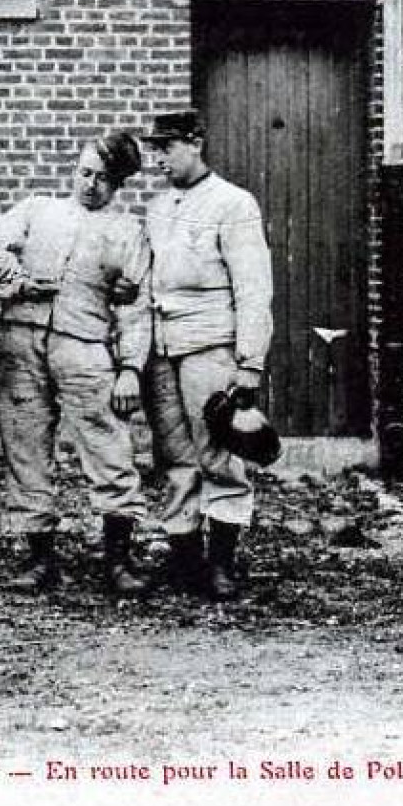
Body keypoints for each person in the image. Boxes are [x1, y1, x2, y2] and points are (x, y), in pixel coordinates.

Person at [0, 131, 152, 596]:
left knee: (108, 446)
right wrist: (13, 282)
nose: (90, 185)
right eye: (85, 173)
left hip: (86, 345)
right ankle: (38, 559)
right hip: (20, 341)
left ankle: (118, 558)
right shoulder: (39, 211)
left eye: (103, 179)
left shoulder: (127, 231)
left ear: (119, 185)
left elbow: (136, 308)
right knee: (25, 445)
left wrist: (131, 368)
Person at [140, 111, 273, 602]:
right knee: (174, 456)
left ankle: (221, 563)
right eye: (155, 149)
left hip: (211, 345)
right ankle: (184, 561)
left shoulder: (233, 203)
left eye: (168, 147)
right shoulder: (158, 207)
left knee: (219, 453)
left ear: (195, 144)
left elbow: (254, 288)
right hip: (162, 349)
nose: (159, 158)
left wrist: (249, 360)